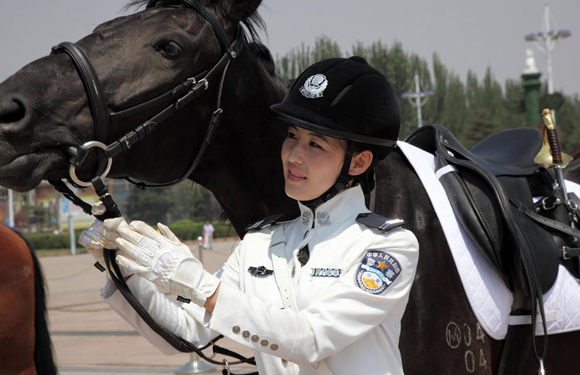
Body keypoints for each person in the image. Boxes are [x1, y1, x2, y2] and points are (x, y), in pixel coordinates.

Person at [80, 56, 419, 375]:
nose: (294, 156)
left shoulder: (387, 249)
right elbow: (185, 332)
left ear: (358, 163)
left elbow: (312, 339)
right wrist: (121, 266)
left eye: (315, 145)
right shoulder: (260, 244)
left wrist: (196, 282)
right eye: (291, 137)